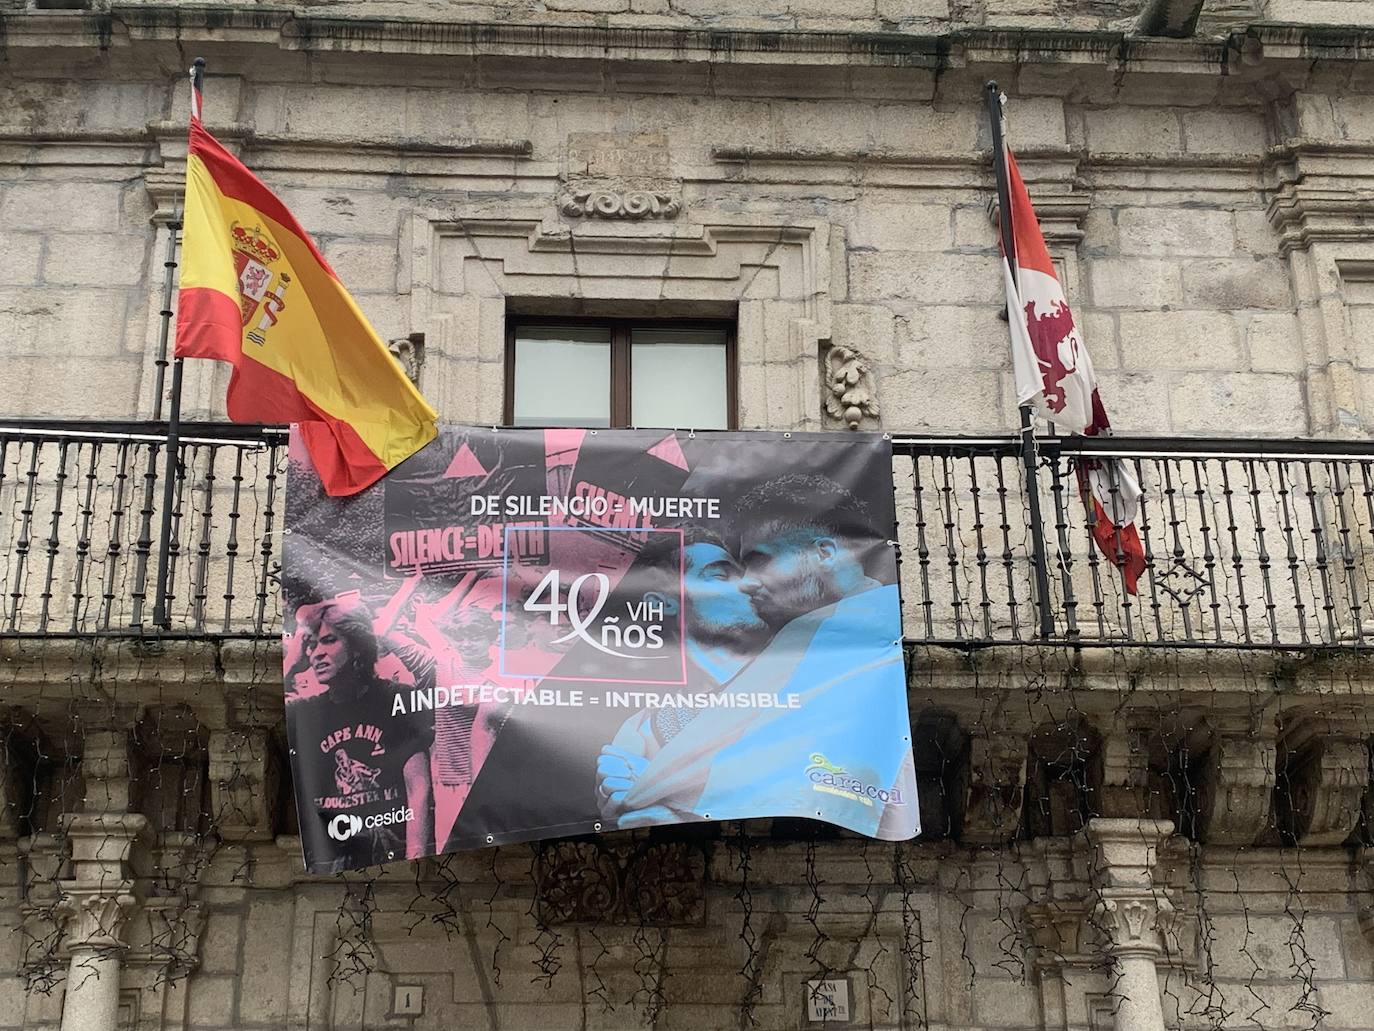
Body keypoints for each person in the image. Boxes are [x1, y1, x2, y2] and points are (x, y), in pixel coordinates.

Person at [612, 474, 919, 840]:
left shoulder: (850, 633)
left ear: (824, 554)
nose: (749, 582)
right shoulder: (803, 638)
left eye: (759, 562)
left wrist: (647, 793)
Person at [596, 527, 772, 825]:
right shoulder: (641, 729)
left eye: (741, 574)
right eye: (719, 576)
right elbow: (631, 819)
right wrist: (624, 804)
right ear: (663, 603)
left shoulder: (803, 675)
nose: (749, 584)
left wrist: (671, 800)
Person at [285, 597, 436, 871]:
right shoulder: (305, 712)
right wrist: (292, 662)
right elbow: (266, 707)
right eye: (312, 645)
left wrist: (418, 862)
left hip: (391, 855)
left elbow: (419, 789)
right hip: (331, 861)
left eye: (329, 641)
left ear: (356, 646)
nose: (316, 653)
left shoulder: (396, 699)